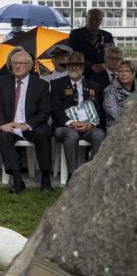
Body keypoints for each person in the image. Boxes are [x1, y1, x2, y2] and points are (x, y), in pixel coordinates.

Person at [0, 50, 53, 193]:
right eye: (15, 63)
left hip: (30, 125)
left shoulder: (41, 85)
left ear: (29, 66)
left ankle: (45, 177)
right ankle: (17, 179)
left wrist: (26, 125)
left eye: (22, 63)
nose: (18, 66)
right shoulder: (2, 82)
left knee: (44, 133)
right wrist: (3, 124)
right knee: (3, 136)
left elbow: (44, 112)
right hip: (10, 125)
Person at [49, 52, 105, 182]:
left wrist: (91, 124)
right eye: (71, 65)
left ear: (83, 67)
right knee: (72, 135)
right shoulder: (57, 84)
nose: (74, 68)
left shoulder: (93, 85)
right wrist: (71, 123)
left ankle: (94, 175)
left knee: (99, 135)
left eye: (78, 65)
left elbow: (97, 109)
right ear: (66, 67)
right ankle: (72, 176)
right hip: (64, 126)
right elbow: (55, 109)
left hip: (88, 125)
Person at [69, 9, 115, 76]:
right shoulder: (75, 34)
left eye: (97, 19)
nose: (94, 22)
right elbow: (73, 56)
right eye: (91, 19)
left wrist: (105, 65)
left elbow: (112, 55)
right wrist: (90, 66)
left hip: (104, 74)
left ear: (101, 20)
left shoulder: (108, 35)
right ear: (86, 18)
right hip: (84, 74)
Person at [103, 59, 136, 129]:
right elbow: (116, 115)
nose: (123, 74)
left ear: (133, 73)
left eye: (127, 71)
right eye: (120, 71)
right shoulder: (109, 91)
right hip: (118, 129)